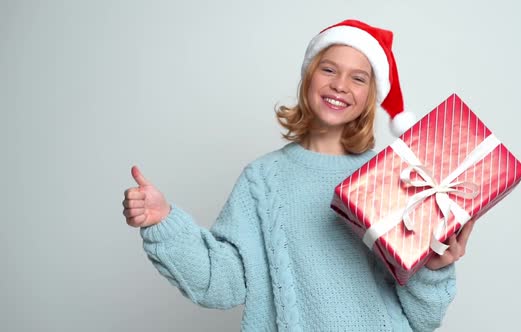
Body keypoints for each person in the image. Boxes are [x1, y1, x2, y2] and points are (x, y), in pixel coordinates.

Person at [122, 19, 474, 332]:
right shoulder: (263, 180)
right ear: (309, 76)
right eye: (329, 70)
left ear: (370, 96)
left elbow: (425, 318)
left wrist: (433, 268)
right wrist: (164, 221)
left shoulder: (395, 178)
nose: (340, 85)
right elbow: (222, 283)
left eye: (358, 78)